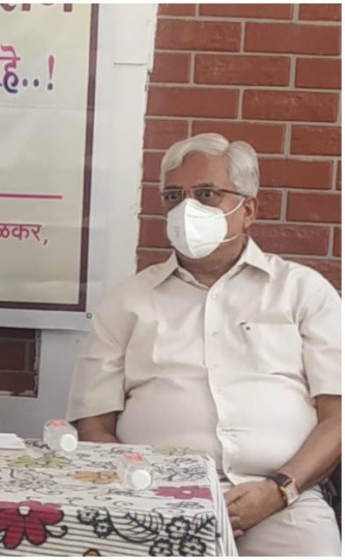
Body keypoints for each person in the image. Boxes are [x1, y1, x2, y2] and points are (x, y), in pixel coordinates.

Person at [67, 133, 341, 556]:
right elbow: (92, 426)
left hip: (283, 502)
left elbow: (338, 418)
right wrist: (151, 490)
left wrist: (279, 489)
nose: (186, 209)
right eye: (173, 196)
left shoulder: (303, 292)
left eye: (206, 194)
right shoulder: (127, 302)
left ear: (248, 210)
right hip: (150, 498)